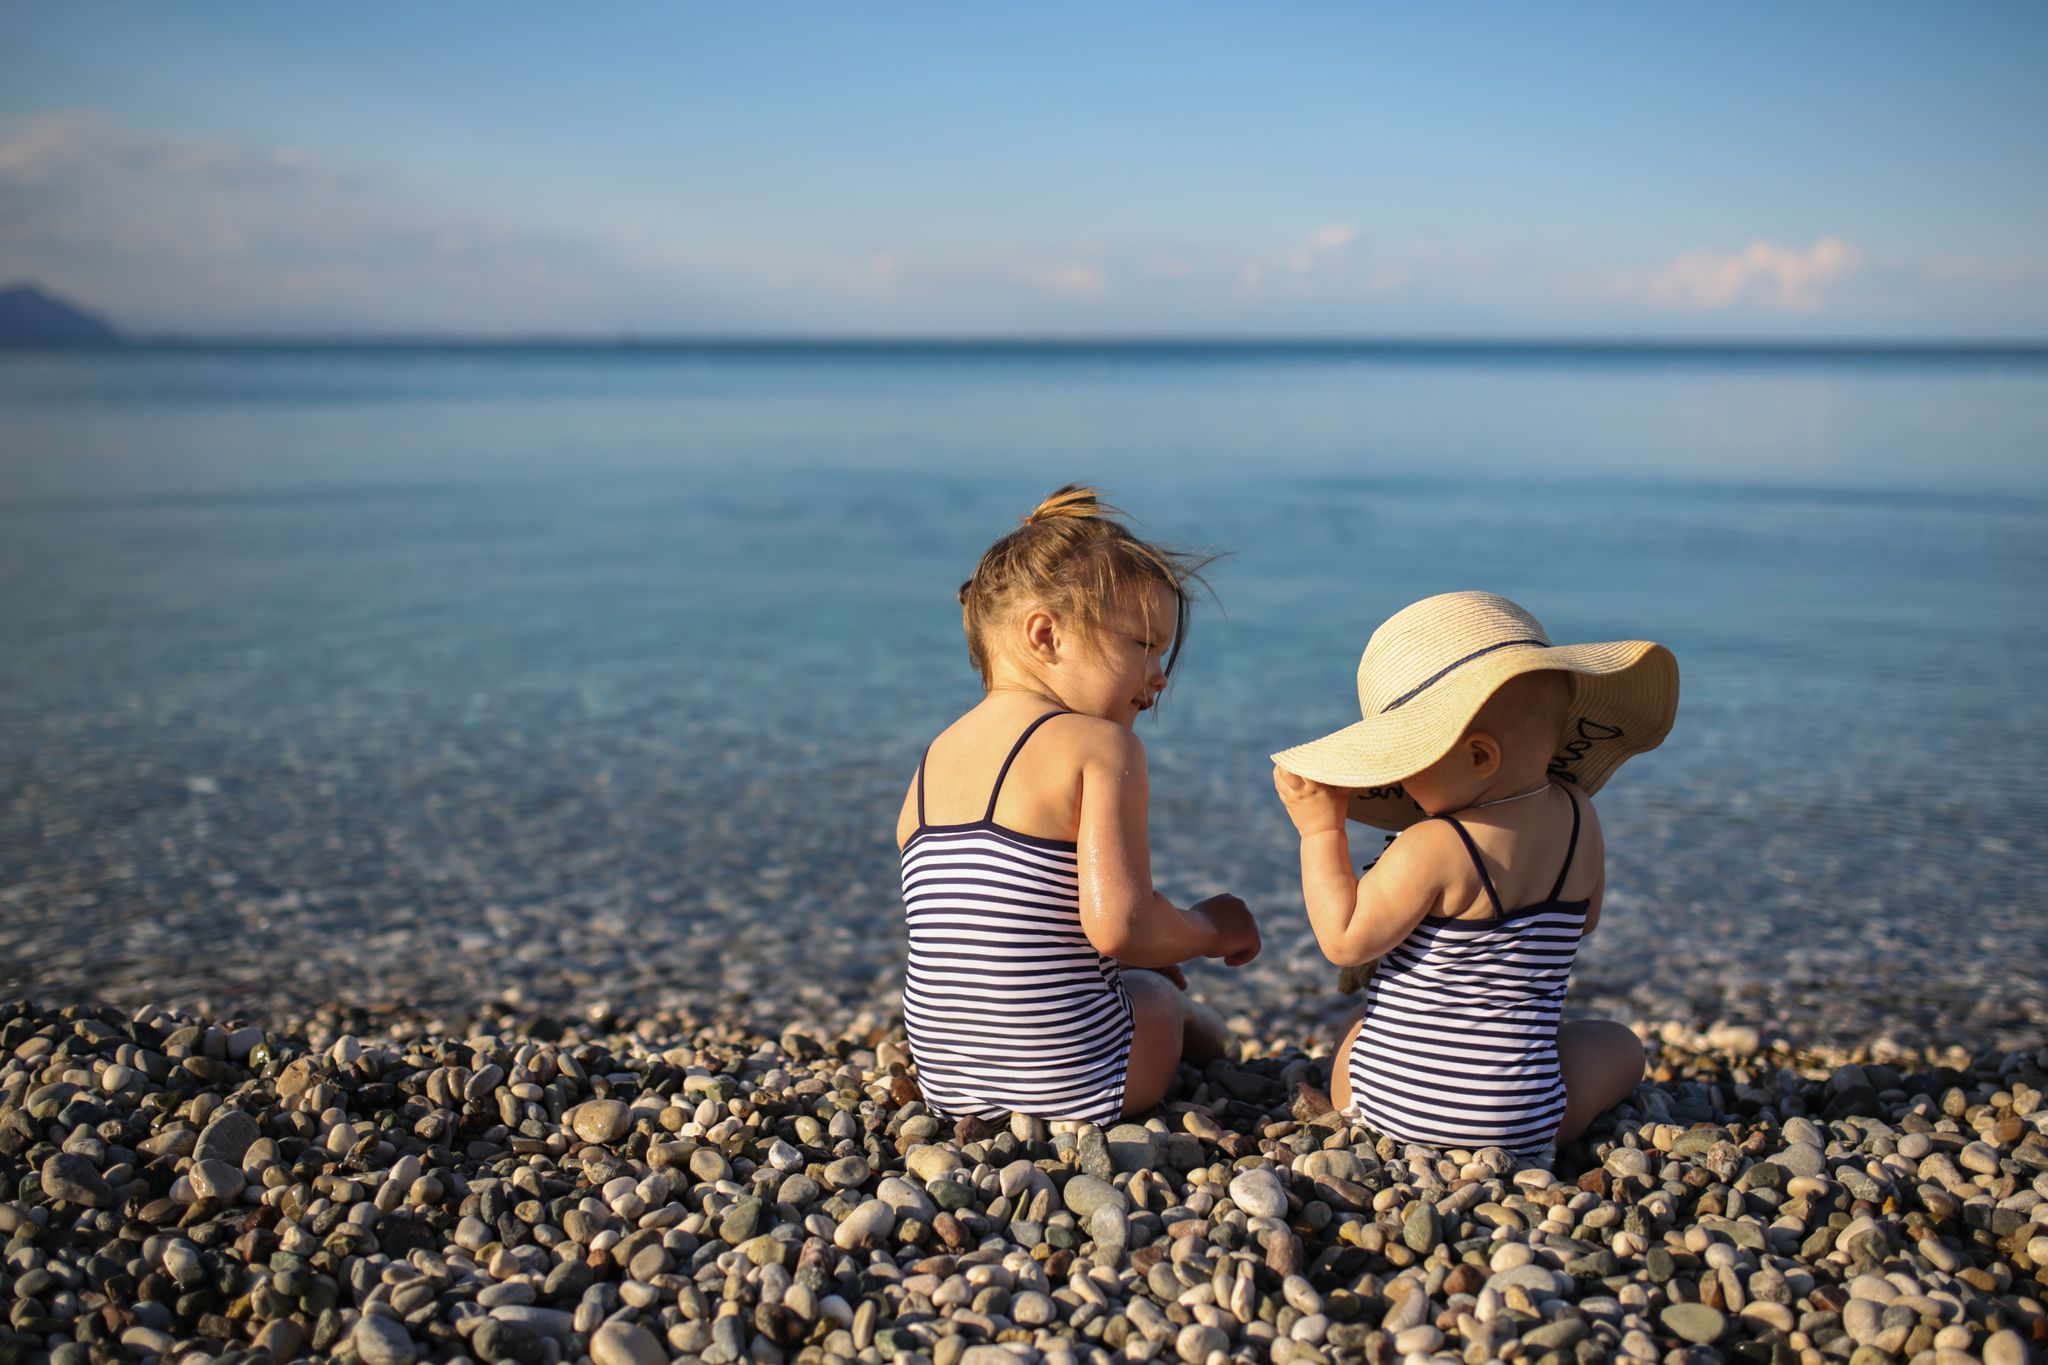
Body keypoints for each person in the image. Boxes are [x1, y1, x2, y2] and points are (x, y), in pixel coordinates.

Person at [896, 485, 1261, 1123]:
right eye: (1143, 644)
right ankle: (1212, 1045)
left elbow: (1003, 918)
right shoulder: (1100, 744)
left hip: (947, 1083)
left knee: (1132, 973)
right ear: (1045, 635)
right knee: (1157, 996)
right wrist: (1205, 929)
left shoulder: (933, 761)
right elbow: (1121, 925)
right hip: (1073, 1082)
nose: (1160, 674)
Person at [1270, 591, 1679, 1161]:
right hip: (1523, 1121)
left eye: (1405, 760)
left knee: (1357, 1028)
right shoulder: (1582, 814)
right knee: (1621, 1045)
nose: (1400, 780)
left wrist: (1320, 832)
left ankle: (1366, 1113)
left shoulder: (1433, 845)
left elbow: (1345, 941)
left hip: (1397, 1109)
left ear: (1479, 758)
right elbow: (1585, 921)